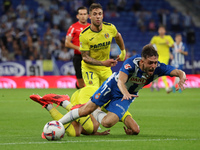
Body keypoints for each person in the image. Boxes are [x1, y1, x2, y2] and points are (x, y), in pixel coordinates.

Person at [56, 44, 187, 131]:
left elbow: (178, 71)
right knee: (85, 110)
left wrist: (182, 77)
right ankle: (58, 123)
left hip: (126, 96)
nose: (153, 66)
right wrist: (125, 93)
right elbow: (121, 81)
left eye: (155, 62)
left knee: (110, 124)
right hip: (113, 86)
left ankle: (96, 111)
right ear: (142, 61)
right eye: (150, 63)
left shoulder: (159, 68)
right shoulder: (131, 63)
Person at [29, 86, 110, 137]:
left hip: (78, 95)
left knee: (75, 133)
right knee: (92, 128)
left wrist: (96, 134)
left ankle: (48, 106)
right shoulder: (118, 99)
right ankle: (64, 102)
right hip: (89, 94)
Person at [79, 3, 126, 88]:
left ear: (102, 15)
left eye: (100, 14)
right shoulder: (84, 35)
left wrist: (123, 51)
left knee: (109, 94)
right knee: (94, 93)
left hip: (105, 69)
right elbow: (85, 57)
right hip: (90, 68)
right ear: (90, 16)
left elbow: (118, 36)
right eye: (95, 14)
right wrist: (103, 63)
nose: (98, 16)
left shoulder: (110, 28)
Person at [65, 6, 90, 89]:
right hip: (78, 57)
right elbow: (67, 43)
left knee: (91, 79)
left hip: (91, 57)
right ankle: (80, 90)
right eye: (81, 14)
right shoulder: (73, 27)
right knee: (80, 80)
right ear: (77, 16)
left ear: (88, 16)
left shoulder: (92, 27)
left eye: (84, 14)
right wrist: (78, 48)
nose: (83, 16)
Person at [150, 25, 174, 93]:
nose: (161, 31)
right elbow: (150, 45)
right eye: (160, 30)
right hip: (158, 58)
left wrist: (168, 44)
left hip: (166, 58)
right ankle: (153, 84)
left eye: (162, 30)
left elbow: (173, 45)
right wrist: (153, 50)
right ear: (158, 31)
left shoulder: (168, 37)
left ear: (165, 31)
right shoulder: (155, 38)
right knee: (156, 72)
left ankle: (166, 88)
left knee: (162, 72)